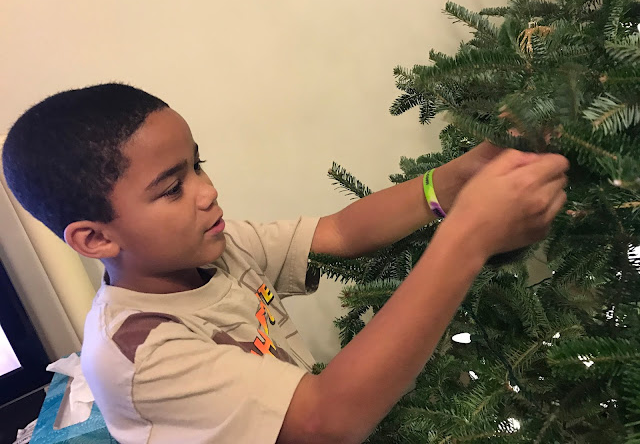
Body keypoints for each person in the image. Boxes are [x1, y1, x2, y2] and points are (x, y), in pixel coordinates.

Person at [1, 83, 569, 444]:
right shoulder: (140, 353)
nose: (207, 191)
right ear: (95, 238)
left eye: (198, 165)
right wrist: (467, 238)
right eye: (173, 188)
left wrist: (455, 178)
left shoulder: (217, 249)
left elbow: (340, 232)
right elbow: (327, 421)